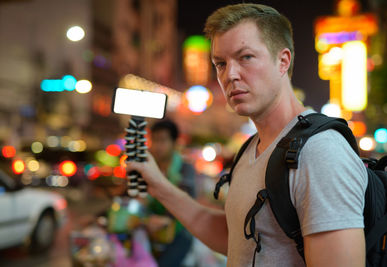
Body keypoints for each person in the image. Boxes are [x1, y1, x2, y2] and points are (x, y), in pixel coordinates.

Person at [127, 3, 368, 266]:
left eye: (246, 57)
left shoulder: (320, 152)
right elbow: (236, 237)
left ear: (282, 61)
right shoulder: (252, 148)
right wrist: (156, 184)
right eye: (220, 63)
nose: (230, 75)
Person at [145, 119, 196, 267]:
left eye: (162, 140)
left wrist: (165, 219)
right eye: (154, 140)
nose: (157, 146)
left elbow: (187, 201)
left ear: (174, 143)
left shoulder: (185, 169)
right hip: (150, 229)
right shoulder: (147, 167)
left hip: (178, 232)